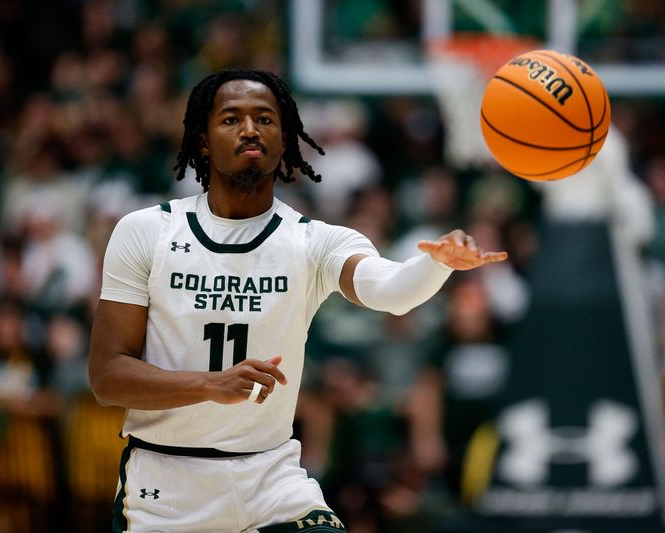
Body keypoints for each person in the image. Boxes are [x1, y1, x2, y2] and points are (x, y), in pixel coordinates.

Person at [88, 68, 507, 533]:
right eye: (231, 119)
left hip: (270, 480)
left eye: (264, 119)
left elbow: (389, 290)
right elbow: (108, 377)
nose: (250, 129)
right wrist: (209, 385)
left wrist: (437, 264)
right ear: (202, 140)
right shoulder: (146, 232)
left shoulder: (312, 241)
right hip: (166, 487)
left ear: (284, 140)